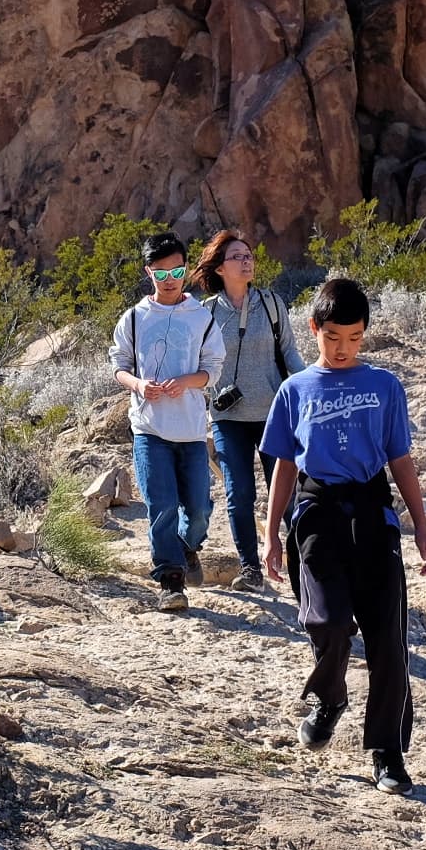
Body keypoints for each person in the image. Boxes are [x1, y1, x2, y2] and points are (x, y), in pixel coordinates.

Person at [260, 277, 426, 796]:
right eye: (334, 337)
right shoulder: (294, 391)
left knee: (388, 639)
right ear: (314, 329)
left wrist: (421, 526)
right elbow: (284, 468)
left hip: (373, 513)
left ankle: (387, 752)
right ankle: (330, 697)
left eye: (355, 338)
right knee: (329, 622)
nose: (343, 349)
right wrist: (270, 534)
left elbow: (400, 458)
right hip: (315, 516)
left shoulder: (384, 385)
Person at [109, 231, 226, 614]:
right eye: (161, 273)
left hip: (191, 430)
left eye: (176, 270)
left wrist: (187, 382)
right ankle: (170, 581)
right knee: (161, 506)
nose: (170, 279)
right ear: (149, 273)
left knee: (199, 510)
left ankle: (188, 546)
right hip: (149, 429)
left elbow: (213, 368)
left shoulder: (201, 317)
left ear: (186, 270)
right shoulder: (134, 318)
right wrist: (140, 385)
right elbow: (119, 366)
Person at [192, 229, 307, 593]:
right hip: (228, 419)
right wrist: (206, 394)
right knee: (239, 493)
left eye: (249, 255)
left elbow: (288, 351)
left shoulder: (271, 304)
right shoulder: (206, 313)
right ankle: (250, 568)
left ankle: (302, 569)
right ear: (220, 269)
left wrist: (307, 390)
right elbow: (196, 362)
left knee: (286, 495)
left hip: (274, 415)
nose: (246, 261)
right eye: (237, 257)